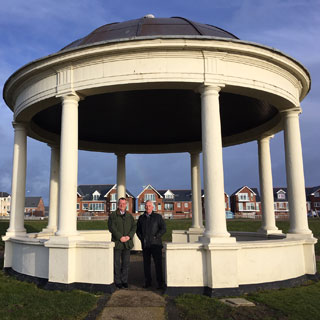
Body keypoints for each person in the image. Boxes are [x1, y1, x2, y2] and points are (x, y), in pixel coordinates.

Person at [137, 200, 166, 289]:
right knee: (146, 265)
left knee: (158, 264)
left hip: (156, 244)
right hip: (146, 245)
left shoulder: (158, 217)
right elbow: (138, 231)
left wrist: (156, 236)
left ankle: (160, 283)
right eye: (146, 205)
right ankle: (148, 282)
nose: (147, 207)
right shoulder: (141, 218)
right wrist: (142, 239)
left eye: (149, 205)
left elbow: (163, 229)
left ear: (153, 207)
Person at [108, 197, 136, 289]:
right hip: (117, 243)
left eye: (124, 204)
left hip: (127, 243)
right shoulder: (113, 215)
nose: (122, 205)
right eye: (120, 203)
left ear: (126, 205)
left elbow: (134, 227)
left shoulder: (129, 216)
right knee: (117, 263)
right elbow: (112, 228)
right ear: (117, 204)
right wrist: (120, 237)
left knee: (126, 263)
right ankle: (118, 281)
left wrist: (129, 236)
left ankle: (124, 281)